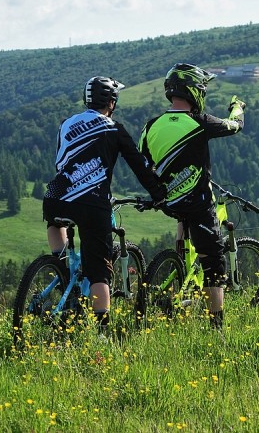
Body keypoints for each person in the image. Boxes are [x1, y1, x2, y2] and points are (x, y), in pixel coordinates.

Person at [43, 76, 166, 330]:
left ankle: (63, 270)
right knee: (99, 270)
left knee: (56, 224)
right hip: (92, 202)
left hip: (56, 196)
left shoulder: (66, 124)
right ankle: (101, 330)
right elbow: (139, 165)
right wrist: (158, 193)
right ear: (111, 102)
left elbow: (60, 161)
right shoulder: (113, 128)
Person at [139, 63, 245, 329]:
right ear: (194, 91)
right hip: (197, 203)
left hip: (168, 202)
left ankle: (180, 264)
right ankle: (217, 326)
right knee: (213, 262)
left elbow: (143, 164)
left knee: (182, 219)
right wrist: (238, 107)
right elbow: (235, 126)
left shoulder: (150, 126)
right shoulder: (200, 122)